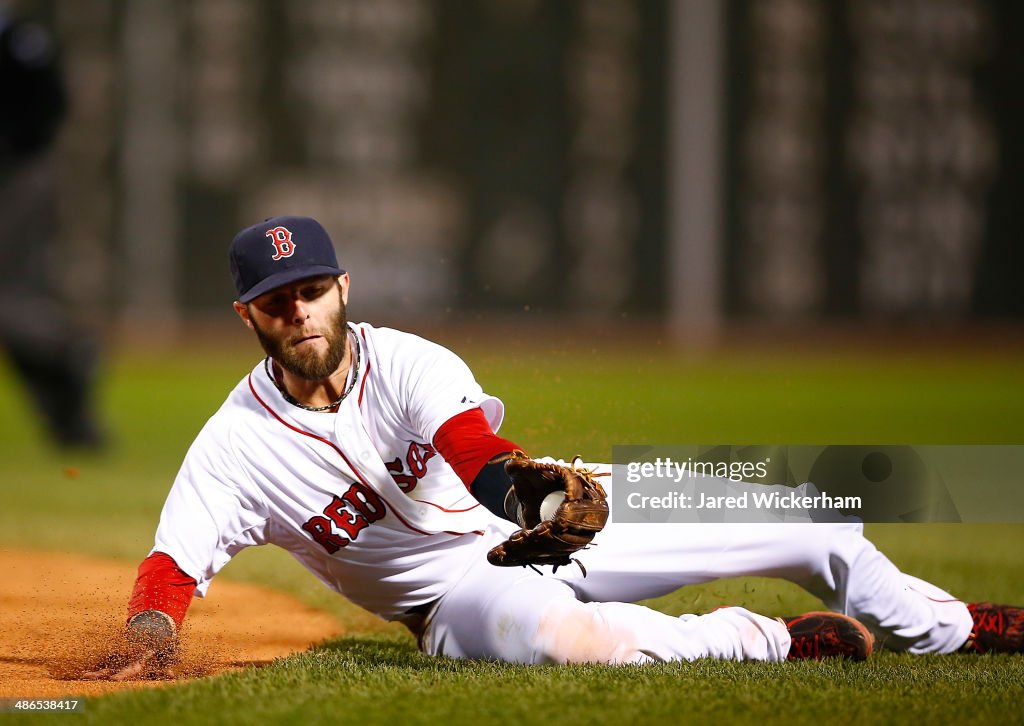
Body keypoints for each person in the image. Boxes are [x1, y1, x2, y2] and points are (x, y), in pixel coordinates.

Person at [85, 215, 1022, 680]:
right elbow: (173, 567)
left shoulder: (408, 360)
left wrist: (537, 499)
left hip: (567, 514)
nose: (301, 311)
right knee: (580, 644)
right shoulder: (234, 445)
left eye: (314, 288)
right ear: (247, 312)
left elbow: (477, 452)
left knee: (810, 510)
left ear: (342, 288)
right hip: (461, 596)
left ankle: (960, 628)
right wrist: (149, 637)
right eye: (279, 298)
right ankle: (771, 640)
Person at [0, 9, 104, 449]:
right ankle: (63, 363)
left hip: (18, 175)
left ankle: (65, 349)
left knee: (9, 298)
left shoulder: (20, 39)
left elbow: (49, 105)